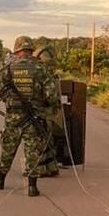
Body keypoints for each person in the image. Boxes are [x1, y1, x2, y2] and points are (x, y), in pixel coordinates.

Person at [0, 36, 54, 197]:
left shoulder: (9, 68)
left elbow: (0, 90)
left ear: (17, 50)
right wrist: (44, 107)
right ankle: (32, 187)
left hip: (13, 117)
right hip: (34, 117)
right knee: (32, 150)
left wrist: (12, 101)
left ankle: (0, 179)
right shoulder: (40, 69)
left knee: (8, 148)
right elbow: (51, 95)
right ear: (31, 51)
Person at [33, 46, 64, 177]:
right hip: (51, 111)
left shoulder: (41, 73)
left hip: (43, 110)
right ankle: (51, 166)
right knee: (49, 139)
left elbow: (49, 94)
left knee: (40, 139)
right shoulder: (52, 73)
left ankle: (41, 168)